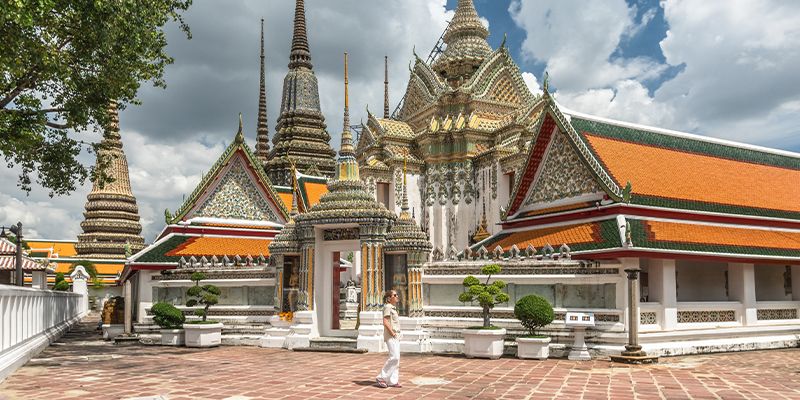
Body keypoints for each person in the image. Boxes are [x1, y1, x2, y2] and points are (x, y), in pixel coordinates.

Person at [376, 290, 401, 388]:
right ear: (389, 298)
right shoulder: (387, 307)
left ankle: (392, 381)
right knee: (394, 357)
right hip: (391, 335)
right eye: (394, 295)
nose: (397, 296)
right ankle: (381, 377)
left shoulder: (393, 308)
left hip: (396, 335)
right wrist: (392, 333)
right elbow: (385, 321)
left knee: (397, 359)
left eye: (396, 295)